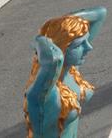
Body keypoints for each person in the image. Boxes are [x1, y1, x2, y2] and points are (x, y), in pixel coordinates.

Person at [23, 7, 106, 138]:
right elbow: (54, 60)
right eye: (79, 45)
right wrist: (39, 40)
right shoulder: (43, 94)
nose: (89, 47)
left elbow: (100, 13)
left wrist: (65, 23)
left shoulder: (71, 71)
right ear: (61, 48)